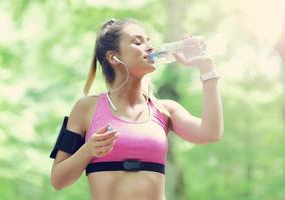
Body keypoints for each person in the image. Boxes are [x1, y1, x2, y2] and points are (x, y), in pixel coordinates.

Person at [49, 18, 223, 200]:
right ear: (113, 57)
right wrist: (88, 150)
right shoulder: (86, 108)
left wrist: (207, 67)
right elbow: (58, 180)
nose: (149, 47)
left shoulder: (164, 110)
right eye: (137, 42)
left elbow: (211, 133)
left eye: (148, 41)